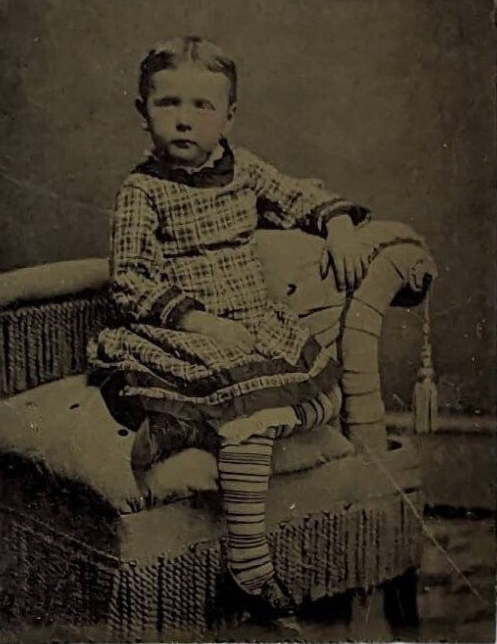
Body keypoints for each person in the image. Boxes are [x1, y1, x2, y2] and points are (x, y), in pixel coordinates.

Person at [88, 34, 372, 621]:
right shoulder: (142, 191)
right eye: (168, 105)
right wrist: (200, 321)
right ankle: (249, 568)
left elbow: (299, 197)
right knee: (249, 419)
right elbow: (131, 279)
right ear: (143, 114)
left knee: (324, 396)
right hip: (187, 331)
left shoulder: (244, 170)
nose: (185, 121)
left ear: (229, 116)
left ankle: (185, 430)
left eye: (202, 106)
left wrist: (339, 224)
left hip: (254, 326)